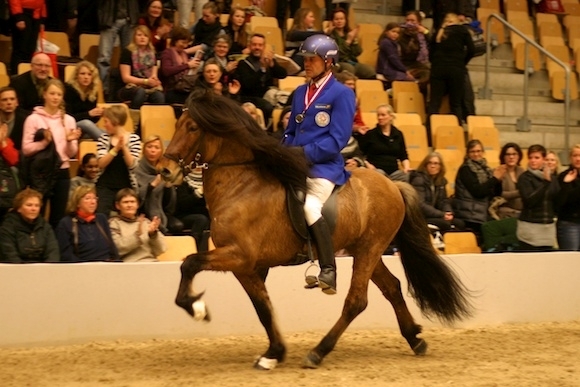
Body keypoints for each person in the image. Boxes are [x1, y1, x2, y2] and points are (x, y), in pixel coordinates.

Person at [282, 34, 355, 295]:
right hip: (295, 163)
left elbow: (337, 140)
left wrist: (303, 155)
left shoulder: (342, 94)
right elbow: (290, 130)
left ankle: (328, 269)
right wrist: (285, 151)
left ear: (328, 61)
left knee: (311, 208)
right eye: (305, 59)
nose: (307, 63)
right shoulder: (301, 91)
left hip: (323, 167)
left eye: (312, 59)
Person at [22, 79, 81, 228]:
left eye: (59, 94)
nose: (55, 97)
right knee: (37, 214)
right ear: (44, 94)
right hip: (41, 173)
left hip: (62, 172)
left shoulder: (69, 120)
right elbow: (26, 149)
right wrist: (45, 143)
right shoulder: (33, 119)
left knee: (58, 218)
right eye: (52, 93)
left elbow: (71, 153)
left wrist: (69, 140)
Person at [427, 13, 474, 127]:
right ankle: (456, 131)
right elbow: (472, 50)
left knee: (434, 103)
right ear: (457, 21)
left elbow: (430, 53)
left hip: (438, 69)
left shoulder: (439, 31)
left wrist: (437, 63)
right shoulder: (462, 31)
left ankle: (429, 132)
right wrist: (462, 62)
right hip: (456, 69)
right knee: (455, 104)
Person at [453, 139, 505, 241]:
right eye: (473, 152)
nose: (476, 154)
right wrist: (494, 179)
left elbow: (493, 193)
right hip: (469, 214)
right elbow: (478, 192)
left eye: (478, 151)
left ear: (483, 152)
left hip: (481, 211)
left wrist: (499, 181)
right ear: (468, 154)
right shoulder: (465, 169)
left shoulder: (486, 169)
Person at [96, 106, 141, 216]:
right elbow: (101, 164)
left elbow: (133, 165)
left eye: (106, 121)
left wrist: (124, 147)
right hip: (105, 186)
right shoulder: (103, 138)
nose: (104, 125)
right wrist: (115, 149)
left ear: (114, 121)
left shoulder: (134, 139)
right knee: (101, 216)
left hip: (126, 186)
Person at [56, 185, 120, 262]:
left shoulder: (101, 219)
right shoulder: (66, 223)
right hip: (80, 268)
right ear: (77, 203)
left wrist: (117, 263)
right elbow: (66, 255)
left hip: (107, 265)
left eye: (94, 198)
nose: (93, 202)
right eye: (88, 198)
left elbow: (112, 247)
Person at [481, 142, 525, 252]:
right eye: (508, 154)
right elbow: (500, 194)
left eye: (514, 154)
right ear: (503, 157)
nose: (511, 157)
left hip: (522, 214)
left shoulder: (522, 172)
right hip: (505, 214)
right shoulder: (498, 172)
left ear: (518, 156)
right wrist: (520, 192)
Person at [516, 144, 559, 251]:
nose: (533, 161)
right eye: (530, 158)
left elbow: (556, 201)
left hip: (547, 228)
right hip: (530, 228)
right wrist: (545, 183)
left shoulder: (552, 178)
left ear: (544, 160)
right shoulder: (524, 178)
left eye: (537, 158)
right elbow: (529, 200)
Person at [236, 33, 287, 122]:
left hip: (267, 95)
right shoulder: (243, 63)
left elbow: (283, 75)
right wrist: (262, 69)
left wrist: (272, 65)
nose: (257, 47)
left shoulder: (268, 61)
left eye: (260, 45)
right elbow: (248, 85)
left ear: (264, 47)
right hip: (249, 97)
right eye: (254, 44)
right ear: (249, 46)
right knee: (267, 106)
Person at [0, 188, 60, 263]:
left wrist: (47, 268)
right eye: (29, 205)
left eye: (37, 206)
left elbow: (53, 251)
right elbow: (9, 255)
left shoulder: (45, 226)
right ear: (19, 208)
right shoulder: (8, 227)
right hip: (17, 269)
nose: (33, 209)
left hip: (43, 269)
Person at [410, 152, 464, 232]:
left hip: (434, 215)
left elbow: (443, 201)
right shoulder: (418, 179)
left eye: (436, 163)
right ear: (425, 165)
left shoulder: (441, 181)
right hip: (421, 217)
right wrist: (442, 215)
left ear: (440, 167)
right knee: (445, 224)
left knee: (460, 223)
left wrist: (448, 212)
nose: (432, 166)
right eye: (430, 163)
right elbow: (420, 204)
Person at [135, 135, 178, 234]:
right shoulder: (137, 169)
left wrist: (168, 187)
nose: (153, 150)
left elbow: (169, 205)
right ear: (144, 149)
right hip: (141, 213)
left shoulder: (165, 170)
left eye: (156, 147)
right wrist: (152, 185)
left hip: (162, 213)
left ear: (161, 151)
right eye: (149, 147)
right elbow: (135, 198)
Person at [109, 188, 166, 262]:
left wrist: (153, 235)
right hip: (129, 264)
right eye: (125, 202)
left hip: (151, 262)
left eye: (132, 202)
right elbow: (118, 249)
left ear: (137, 205)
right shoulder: (113, 224)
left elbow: (161, 249)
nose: (129, 205)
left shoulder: (146, 222)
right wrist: (137, 235)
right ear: (118, 205)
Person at [358, 104, 411, 182]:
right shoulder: (371, 134)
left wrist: (407, 168)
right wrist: (368, 165)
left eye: (383, 115)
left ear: (391, 116)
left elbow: (403, 156)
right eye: (378, 115)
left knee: (411, 176)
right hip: (376, 170)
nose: (380, 118)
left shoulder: (398, 134)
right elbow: (360, 153)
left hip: (394, 172)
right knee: (379, 176)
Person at [119, 25, 165, 109]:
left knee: (159, 96)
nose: (142, 38)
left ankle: (154, 120)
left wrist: (155, 81)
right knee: (140, 92)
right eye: (139, 35)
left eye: (145, 35)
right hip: (130, 87)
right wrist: (145, 81)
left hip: (148, 87)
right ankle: (135, 118)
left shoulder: (152, 53)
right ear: (134, 37)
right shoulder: (127, 52)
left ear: (149, 39)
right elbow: (125, 78)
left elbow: (154, 75)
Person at [97, 0, 140, 88]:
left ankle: (128, 90)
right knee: (104, 58)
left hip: (129, 20)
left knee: (130, 57)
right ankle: (102, 91)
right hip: (109, 19)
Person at [325, 8, 375, 79]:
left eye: (342, 19)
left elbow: (358, 52)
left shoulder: (349, 33)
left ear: (345, 20)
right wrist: (348, 41)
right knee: (349, 69)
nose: (339, 21)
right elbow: (337, 54)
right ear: (332, 21)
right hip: (339, 62)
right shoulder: (330, 35)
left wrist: (354, 40)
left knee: (370, 71)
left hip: (352, 62)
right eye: (337, 19)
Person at [160, 26, 202, 106]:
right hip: (172, 89)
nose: (185, 45)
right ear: (175, 41)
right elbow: (166, 71)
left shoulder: (184, 54)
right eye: (183, 42)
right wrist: (187, 65)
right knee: (195, 100)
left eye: (186, 43)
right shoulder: (167, 53)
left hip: (185, 88)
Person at [64, 61, 105, 140]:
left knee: (107, 132)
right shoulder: (68, 90)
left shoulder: (93, 92)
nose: (86, 77)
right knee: (86, 123)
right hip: (70, 126)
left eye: (89, 74)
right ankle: (110, 145)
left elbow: (92, 120)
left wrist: (98, 114)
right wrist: (88, 114)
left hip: (85, 129)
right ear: (76, 76)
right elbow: (68, 117)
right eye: (82, 74)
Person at [8, 0, 46, 75]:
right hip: (22, 13)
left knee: (31, 49)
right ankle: (16, 76)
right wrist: (18, 17)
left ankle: (27, 75)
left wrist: (42, 19)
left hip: (36, 14)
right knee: (21, 49)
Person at [555, 144, 580, 251]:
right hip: (569, 223)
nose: (578, 159)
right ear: (570, 158)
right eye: (575, 155)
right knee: (570, 258)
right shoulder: (564, 176)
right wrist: (566, 183)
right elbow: (562, 201)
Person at [398, 11, 431, 89]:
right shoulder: (400, 33)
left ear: (419, 22)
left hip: (418, 64)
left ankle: (419, 91)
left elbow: (433, 43)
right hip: (403, 64)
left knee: (430, 73)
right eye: (407, 20)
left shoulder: (423, 34)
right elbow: (407, 52)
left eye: (412, 21)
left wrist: (425, 32)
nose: (409, 23)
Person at [376, 22, 415, 87]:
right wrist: (405, 70)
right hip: (387, 71)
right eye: (393, 31)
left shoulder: (394, 43)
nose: (395, 34)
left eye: (398, 33)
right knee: (411, 79)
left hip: (393, 70)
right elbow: (394, 59)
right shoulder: (386, 43)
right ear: (386, 32)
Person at [0, 86, 27, 150]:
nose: (9, 102)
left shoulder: (25, 121)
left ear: (17, 102)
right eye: (4, 100)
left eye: (12, 99)